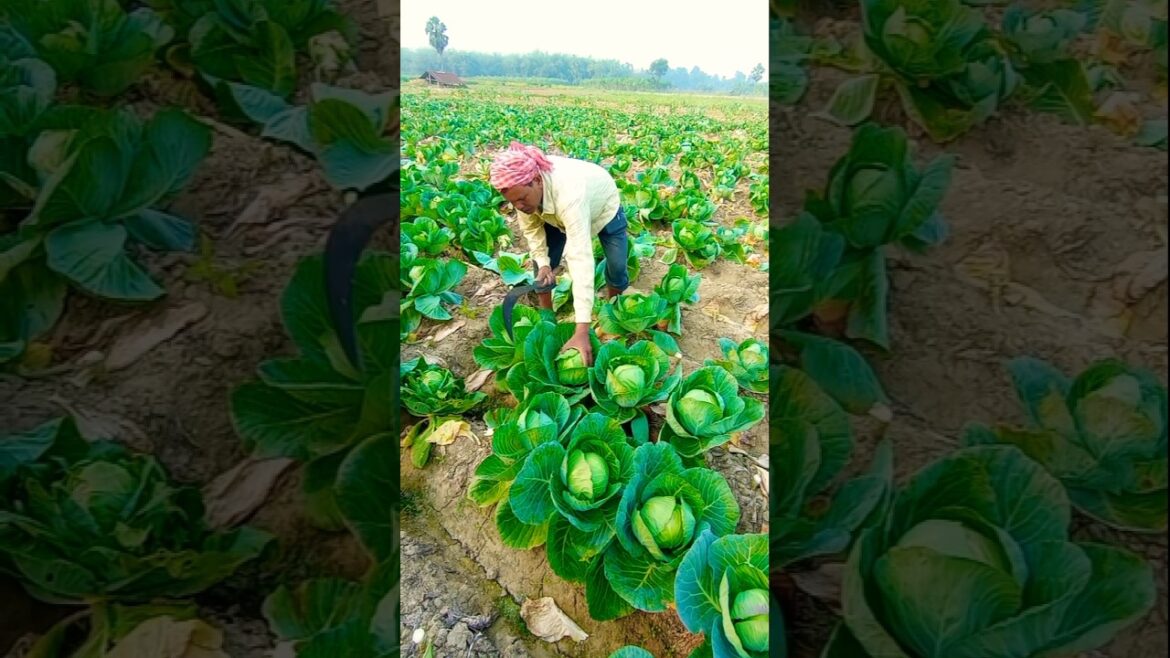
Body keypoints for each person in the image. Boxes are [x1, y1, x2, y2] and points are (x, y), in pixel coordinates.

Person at [489, 142, 629, 366]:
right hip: (552, 212)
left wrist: (581, 330)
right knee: (542, 265)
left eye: (522, 198)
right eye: (512, 202)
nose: (518, 205)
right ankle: (547, 318)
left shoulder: (570, 195)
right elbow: (532, 232)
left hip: (603, 206)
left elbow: (580, 258)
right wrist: (544, 264)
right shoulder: (524, 195)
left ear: (536, 181)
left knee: (617, 265)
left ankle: (614, 310)